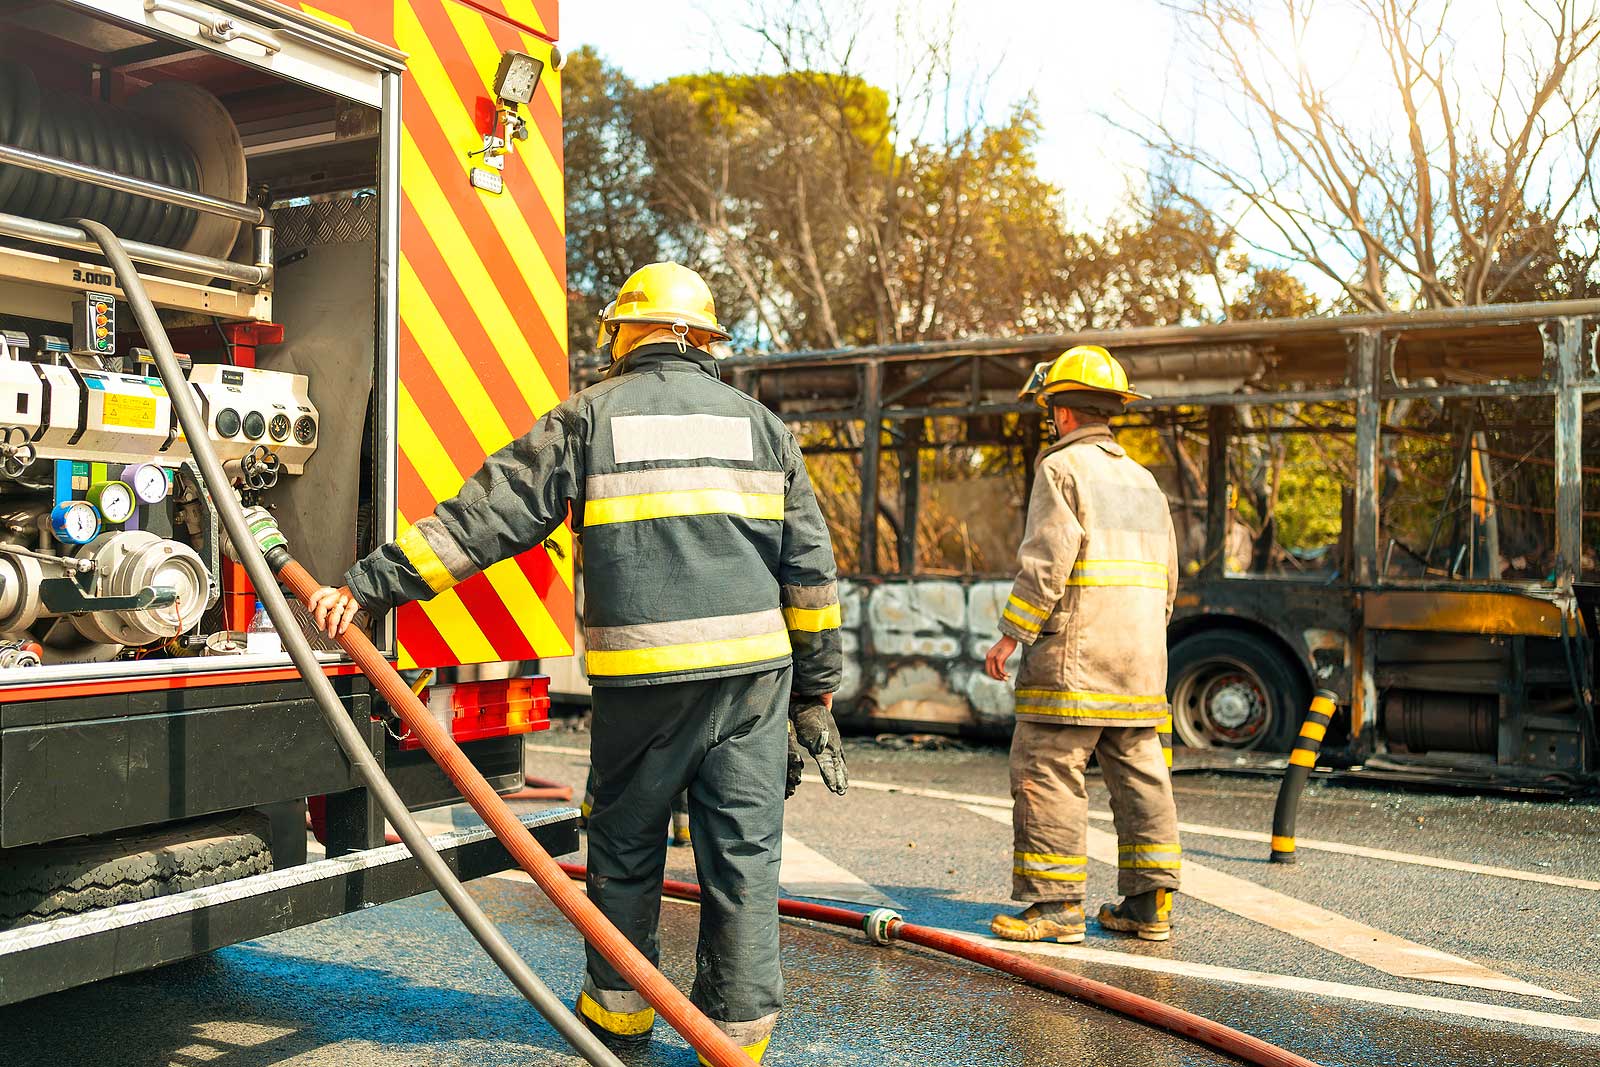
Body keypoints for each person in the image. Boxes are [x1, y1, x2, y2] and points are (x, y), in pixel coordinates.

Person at [310, 262, 848, 1063]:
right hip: (753, 687)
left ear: (623, 335)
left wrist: (372, 586)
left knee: (628, 847)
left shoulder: (590, 417)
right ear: (703, 338)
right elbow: (810, 573)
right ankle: (735, 1041)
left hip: (647, 687)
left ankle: (620, 1019)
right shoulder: (762, 428)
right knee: (743, 856)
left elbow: (484, 518)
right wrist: (816, 695)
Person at [983, 345, 1182, 944]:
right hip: (1141, 660)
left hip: (1075, 658)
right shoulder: (1143, 479)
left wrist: (1011, 635)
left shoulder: (1061, 469)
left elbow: (1046, 562)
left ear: (1062, 414)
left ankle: (1056, 907)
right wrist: (1147, 636)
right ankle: (1149, 906)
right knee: (1141, 771)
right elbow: (1169, 577)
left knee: (1045, 766)